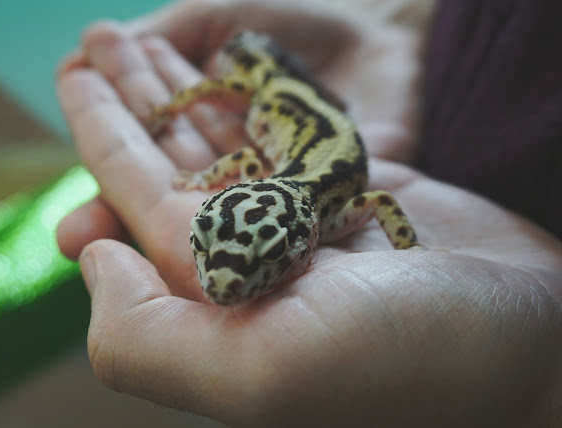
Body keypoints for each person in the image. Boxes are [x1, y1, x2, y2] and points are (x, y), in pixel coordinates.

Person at [55, 1, 562, 425]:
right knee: (223, 93)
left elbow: (380, 201)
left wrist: (411, 250)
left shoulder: (333, 210)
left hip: (323, 118)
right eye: (204, 243)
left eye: (270, 252)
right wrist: (399, 20)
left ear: (307, 233)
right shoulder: (266, 175)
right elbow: (246, 160)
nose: (220, 284)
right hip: (293, 93)